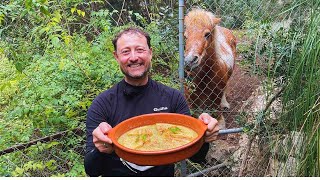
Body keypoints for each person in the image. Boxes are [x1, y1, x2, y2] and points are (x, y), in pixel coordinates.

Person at [84, 27, 220, 177]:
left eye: (140, 50)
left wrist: (204, 136)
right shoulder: (102, 104)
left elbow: (196, 156)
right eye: (126, 51)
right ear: (116, 57)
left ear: (150, 52)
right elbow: (92, 170)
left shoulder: (172, 98)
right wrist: (100, 149)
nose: (134, 57)